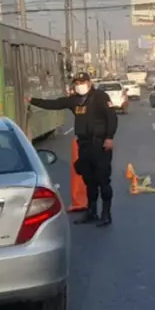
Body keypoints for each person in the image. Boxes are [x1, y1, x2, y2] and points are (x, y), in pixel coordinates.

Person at [28, 72, 118, 227]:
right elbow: (55, 104)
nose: (79, 85)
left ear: (89, 83)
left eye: (82, 82)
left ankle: (106, 214)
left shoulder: (100, 97)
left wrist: (109, 137)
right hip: (84, 145)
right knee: (89, 181)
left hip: (100, 144)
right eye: (77, 82)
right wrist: (32, 100)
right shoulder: (74, 100)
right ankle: (91, 212)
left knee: (103, 180)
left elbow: (112, 117)